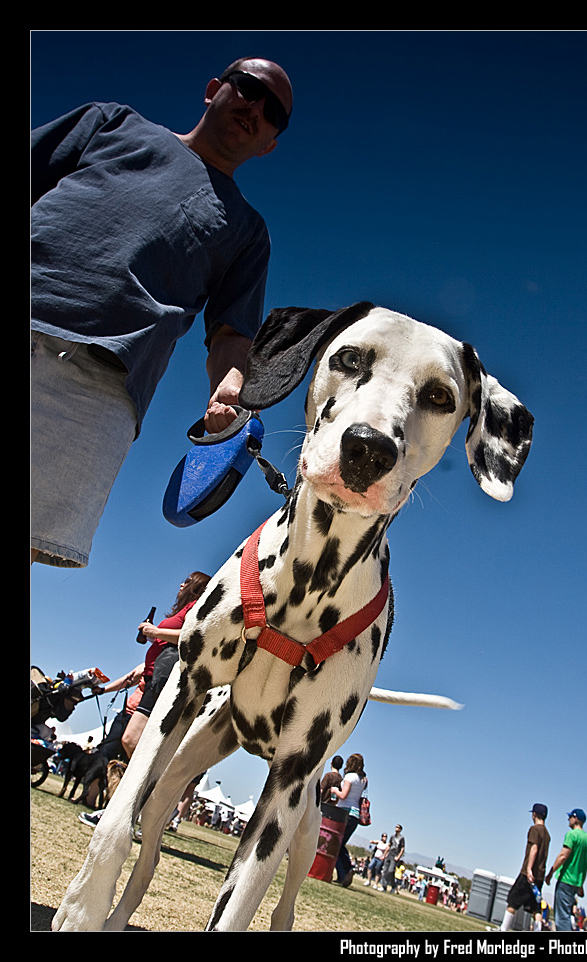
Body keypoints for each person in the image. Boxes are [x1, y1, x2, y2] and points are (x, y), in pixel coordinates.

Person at [31, 57, 294, 569]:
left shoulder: (247, 232)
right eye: (247, 88)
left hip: (95, 385)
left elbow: (231, 335)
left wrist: (233, 388)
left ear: (271, 143)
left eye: (274, 113)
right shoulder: (112, 123)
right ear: (214, 89)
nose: (255, 108)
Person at [121, 572, 211, 757]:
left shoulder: (196, 607)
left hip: (164, 680)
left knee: (132, 740)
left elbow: (191, 636)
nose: (181, 584)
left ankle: (148, 784)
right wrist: (154, 636)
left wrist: (156, 631)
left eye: (187, 581)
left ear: (197, 588)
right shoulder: (184, 609)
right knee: (135, 741)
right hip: (154, 678)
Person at [500, 803, 551, 932]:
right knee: (536, 907)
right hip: (539, 876)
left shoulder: (535, 829)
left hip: (528, 874)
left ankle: (504, 928)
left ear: (534, 814)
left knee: (513, 900)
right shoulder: (547, 834)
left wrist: (528, 869)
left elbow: (534, 848)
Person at [545, 808, 587, 932]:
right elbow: (585, 865)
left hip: (566, 879)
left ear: (576, 819)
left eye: (570, 817)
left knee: (562, 918)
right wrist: (581, 884)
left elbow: (563, 856)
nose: (568, 819)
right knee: (566, 914)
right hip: (576, 882)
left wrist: (551, 873)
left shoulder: (572, 835)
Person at [331, 753, 368, 887]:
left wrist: (335, 790)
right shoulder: (363, 779)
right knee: (340, 844)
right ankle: (343, 874)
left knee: (337, 844)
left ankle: (346, 870)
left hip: (344, 813)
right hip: (355, 815)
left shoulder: (349, 777)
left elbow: (344, 795)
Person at [380, 824, 406, 892]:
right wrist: (384, 855)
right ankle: (384, 886)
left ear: (400, 829)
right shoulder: (392, 837)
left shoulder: (401, 838)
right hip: (389, 854)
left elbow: (402, 848)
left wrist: (398, 856)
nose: (396, 828)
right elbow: (389, 846)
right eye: (396, 827)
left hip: (395, 856)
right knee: (384, 871)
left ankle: (393, 886)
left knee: (390, 871)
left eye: (398, 827)